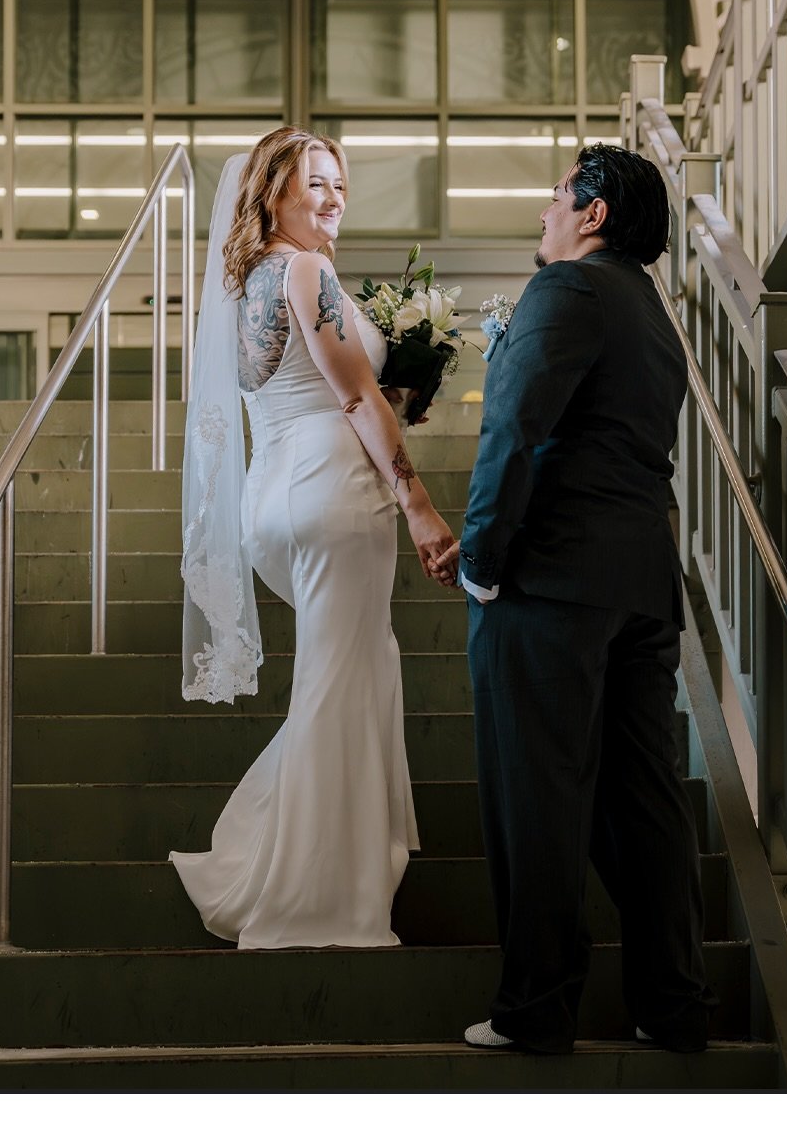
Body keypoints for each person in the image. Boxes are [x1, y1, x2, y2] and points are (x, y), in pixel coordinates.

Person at [430, 143, 717, 1053]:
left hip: (551, 579)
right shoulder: (655, 317)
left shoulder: (564, 292)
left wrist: (481, 557)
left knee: (538, 789)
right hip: (641, 584)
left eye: (557, 197)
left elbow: (514, 430)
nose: (545, 213)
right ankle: (673, 1005)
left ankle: (535, 1007)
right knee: (647, 800)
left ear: (593, 213)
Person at [170, 126, 456, 949]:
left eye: (339, 181)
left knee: (346, 674)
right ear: (274, 196)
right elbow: (357, 400)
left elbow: (308, 387)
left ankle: (286, 861)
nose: (335, 197)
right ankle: (319, 901)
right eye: (315, 183)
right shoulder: (306, 270)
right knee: (342, 686)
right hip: (335, 499)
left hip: (273, 500)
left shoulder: (246, 281)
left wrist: (396, 388)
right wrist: (421, 507)